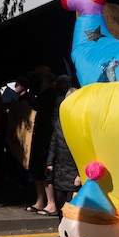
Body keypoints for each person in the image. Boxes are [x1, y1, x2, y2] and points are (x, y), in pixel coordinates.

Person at [25, 65, 58, 215]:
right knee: (36, 168)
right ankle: (40, 201)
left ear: (44, 78)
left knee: (45, 167)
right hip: (37, 134)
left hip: (45, 135)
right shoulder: (40, 94)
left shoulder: (50, 93)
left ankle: (51, 203)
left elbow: (42, 112)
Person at [45, 87, 80, 218]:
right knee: (61, 207)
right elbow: (53, 143)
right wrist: (50, 163)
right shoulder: (60, 122)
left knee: (71, 211)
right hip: (60, 172)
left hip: (74, 174)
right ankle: (61, 230)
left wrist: (80, 174)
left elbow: (85, 151)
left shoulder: (81, 122)